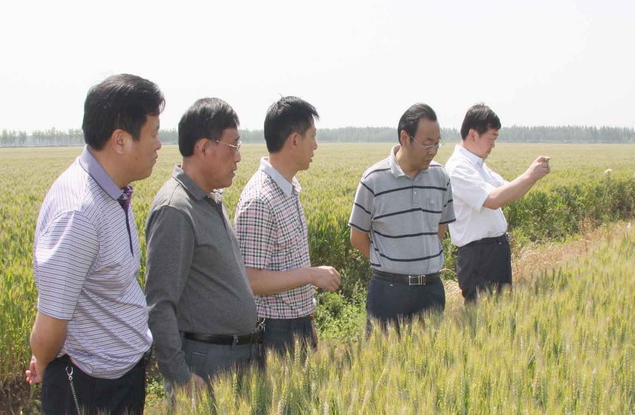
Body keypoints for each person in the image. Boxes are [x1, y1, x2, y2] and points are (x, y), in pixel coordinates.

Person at [25, 74, 164, 415]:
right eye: (153, 133)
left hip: (118, 381)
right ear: (120, 140)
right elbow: (48, 329)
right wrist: (45, 362)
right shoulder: (79, 213)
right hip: (89, 393)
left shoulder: (113, 192)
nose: (159, 144)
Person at [145, 98, 262, 393]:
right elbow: (159, 304)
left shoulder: (210, 199)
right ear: (204, 148)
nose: (238, 157)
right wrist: (180, 376)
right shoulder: (176, 209)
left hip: (233, 357)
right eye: (233, 146)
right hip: (206, 362)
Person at [234, 96, 340, 354]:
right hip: (274, 331)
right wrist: (311, 275)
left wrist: (308, 317)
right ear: (294, 140)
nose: (315, 146)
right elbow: (251, 281)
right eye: (312, 137)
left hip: (297, 322)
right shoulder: (260, 200)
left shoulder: (287, 188)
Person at [348, 103, 455, 332]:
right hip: (388, 292)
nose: (433, 150)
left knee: (431, 354)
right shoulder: (373, 180)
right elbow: (357, 237)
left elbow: (439, 229)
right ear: (405, 138)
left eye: (437, 143)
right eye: (427, 143)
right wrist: (390, 263)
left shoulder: (440, 177)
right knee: (383, 353)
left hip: (430, 291)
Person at [446, 103, 550, 303]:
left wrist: (533, 176)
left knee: (502, 312)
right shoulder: (458, 168)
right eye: (491, 138)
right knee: (483, 316)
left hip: (495, 252)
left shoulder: (478, 166)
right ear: (473, 134)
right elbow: (493, 200)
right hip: (478, 256)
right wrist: (529, 175)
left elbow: (507, 191)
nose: (493, 145)